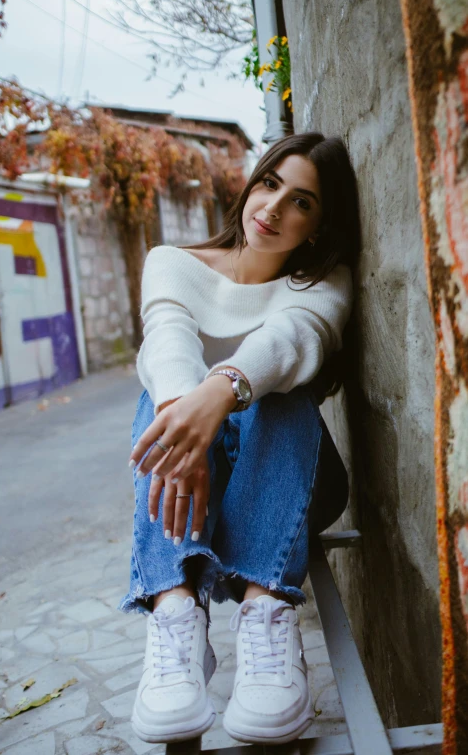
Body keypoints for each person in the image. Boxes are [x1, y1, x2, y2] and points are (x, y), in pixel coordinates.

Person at [119, 132, 360, 745]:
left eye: (302, 202)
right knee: (162, 397)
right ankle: (174, 614)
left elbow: (287, 341)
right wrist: (186, 422)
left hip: (293, 480)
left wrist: (220, 391)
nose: (275, 209)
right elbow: (167, 338)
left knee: (277, 385)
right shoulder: (172, 261)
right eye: (271, 184)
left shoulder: (324, 282)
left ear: (318, 225)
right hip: (196, 489)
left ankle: (267, 619)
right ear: (251, 184)